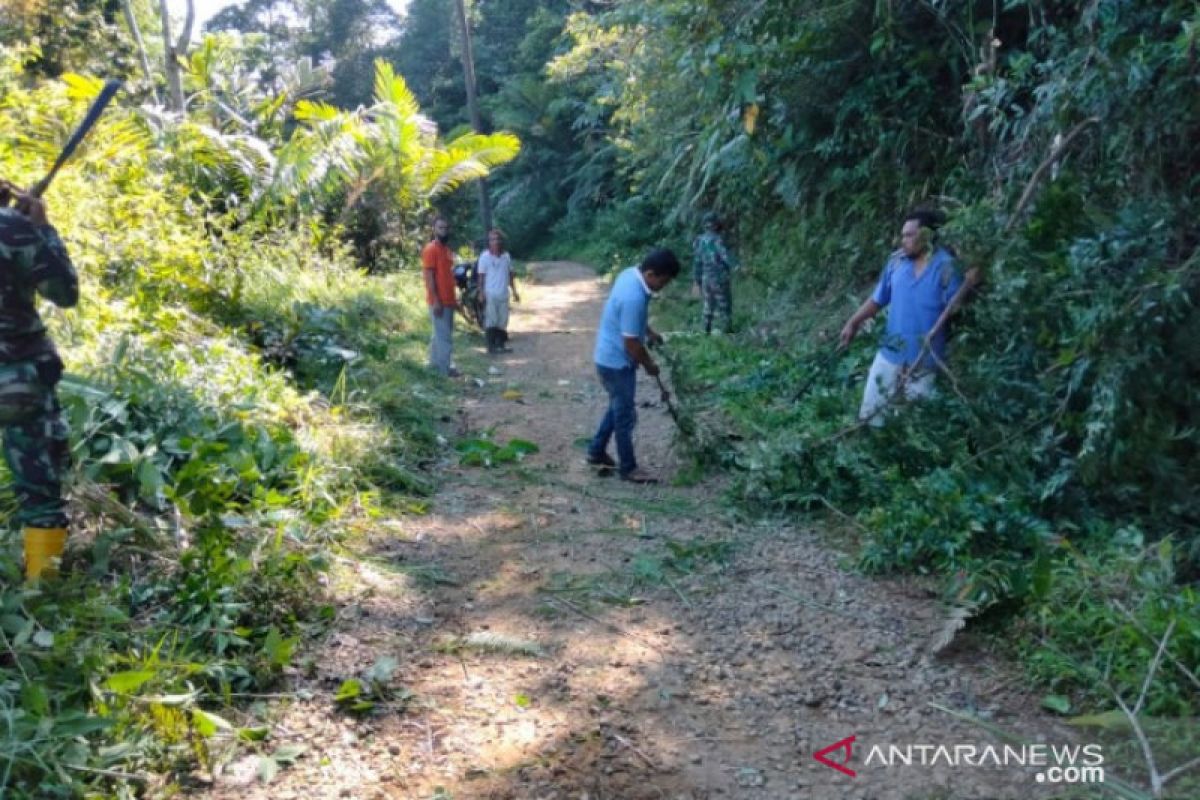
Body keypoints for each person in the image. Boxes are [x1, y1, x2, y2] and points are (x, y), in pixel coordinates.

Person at [0, 180, 79, 581]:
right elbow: (63, 292)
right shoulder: (14, 228)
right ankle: (42, 593)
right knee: (40, 492)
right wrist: (42, 228)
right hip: (17, 381)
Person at [839, 208, 963, 425]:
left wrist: (970, 283)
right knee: (870, 418)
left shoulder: (946, 268)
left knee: (914, 431)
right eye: (903, 234)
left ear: (927, 234)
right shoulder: (896, 263)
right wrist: (853, 322)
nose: (903, 240)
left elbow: (957, 308)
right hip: (889, 356)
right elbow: (878, 299)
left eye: (909, 235)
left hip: (925, 363)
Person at [586, 248, 681, 483]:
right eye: (664, 281)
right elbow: (631, 343)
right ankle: (628, 468)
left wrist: (648, 332)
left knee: (618, 406)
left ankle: (596, 450)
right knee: (625, 415)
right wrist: (650, 365)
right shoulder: (634, 296)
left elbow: (631, 321)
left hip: (607, 357)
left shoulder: (629, 274)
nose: (664, 286)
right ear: (650, 273)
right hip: (616, 363)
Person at [422, 216, 458, 377]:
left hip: (449, 300)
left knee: (439, 336)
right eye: (440, 228)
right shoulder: (431, 249)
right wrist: (436, 300)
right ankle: (444, 372)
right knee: (445, 339)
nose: (444, 231)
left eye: (446, 228)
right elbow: (429, 276)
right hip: (439, 302)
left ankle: (435, 368)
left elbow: (448, 276)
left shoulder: (447, 250)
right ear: (434, 230)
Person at [691, 212, 739, 334]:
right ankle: (728, 331)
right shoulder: (717, 240)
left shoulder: (699, 241)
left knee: (708, 305)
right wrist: (738, 267)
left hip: (706, 277)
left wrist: (697, 280)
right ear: (715, 225)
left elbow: (697, 262)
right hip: (719, 277)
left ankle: (705, 331)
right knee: (724, 304)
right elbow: (726, 257)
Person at [476, 228, 520, 354]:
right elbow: (481, 276)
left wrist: (515, 291)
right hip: (490, 293)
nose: (495, 242)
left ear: (502, 241)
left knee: (502, 320)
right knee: (491, 320)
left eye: (498, 239)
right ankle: (491, 346)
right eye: (492, 240)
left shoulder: (506, 257)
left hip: (503, 293)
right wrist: (481, 292)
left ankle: (500, 345)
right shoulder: (484, 257)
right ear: (489, 242)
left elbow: (510, 275)